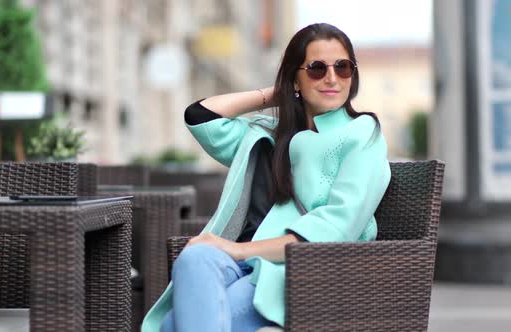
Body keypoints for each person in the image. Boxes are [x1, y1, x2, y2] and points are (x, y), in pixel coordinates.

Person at [142, 22, 391, 332]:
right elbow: (201, 118)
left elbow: (337, 226)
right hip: (243, 264)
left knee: (170, 326)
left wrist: (238, 249)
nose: (331, 77)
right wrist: (276, 95)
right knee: (194, 258)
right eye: (316, 68)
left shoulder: (361, 132)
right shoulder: (270, 135)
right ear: (295, 78)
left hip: (296, 271)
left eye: (343, 67)